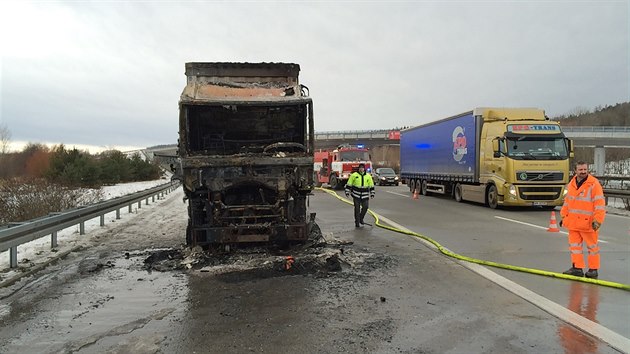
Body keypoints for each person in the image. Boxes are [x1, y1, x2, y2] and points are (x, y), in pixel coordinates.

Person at [560, 161, 606, 279]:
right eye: (580, 170)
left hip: (588, 223)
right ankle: (577, 268)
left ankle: (593, 269)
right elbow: (568, 202)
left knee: (592, 247)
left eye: (585, 169)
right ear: (575, 170)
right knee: (575, 247)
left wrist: (598, 220)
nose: (583, 171)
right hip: (573, 223)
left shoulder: (593, 184)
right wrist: (564, 216)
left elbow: (599, 204)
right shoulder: (572, 184)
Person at [344, 163, 375, 227]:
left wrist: (372, 193)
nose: (361, 169)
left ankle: (361, 218)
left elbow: (371, 185)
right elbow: (349, 184)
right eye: (360, 168)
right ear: (359, 168)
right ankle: (357, 222)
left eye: (362, 168)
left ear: (364, 169)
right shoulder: (354, 175)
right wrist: (347, 192)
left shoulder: (368, 176)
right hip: (356, 195)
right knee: (357, 209)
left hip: (365, 195)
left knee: (365, 207)